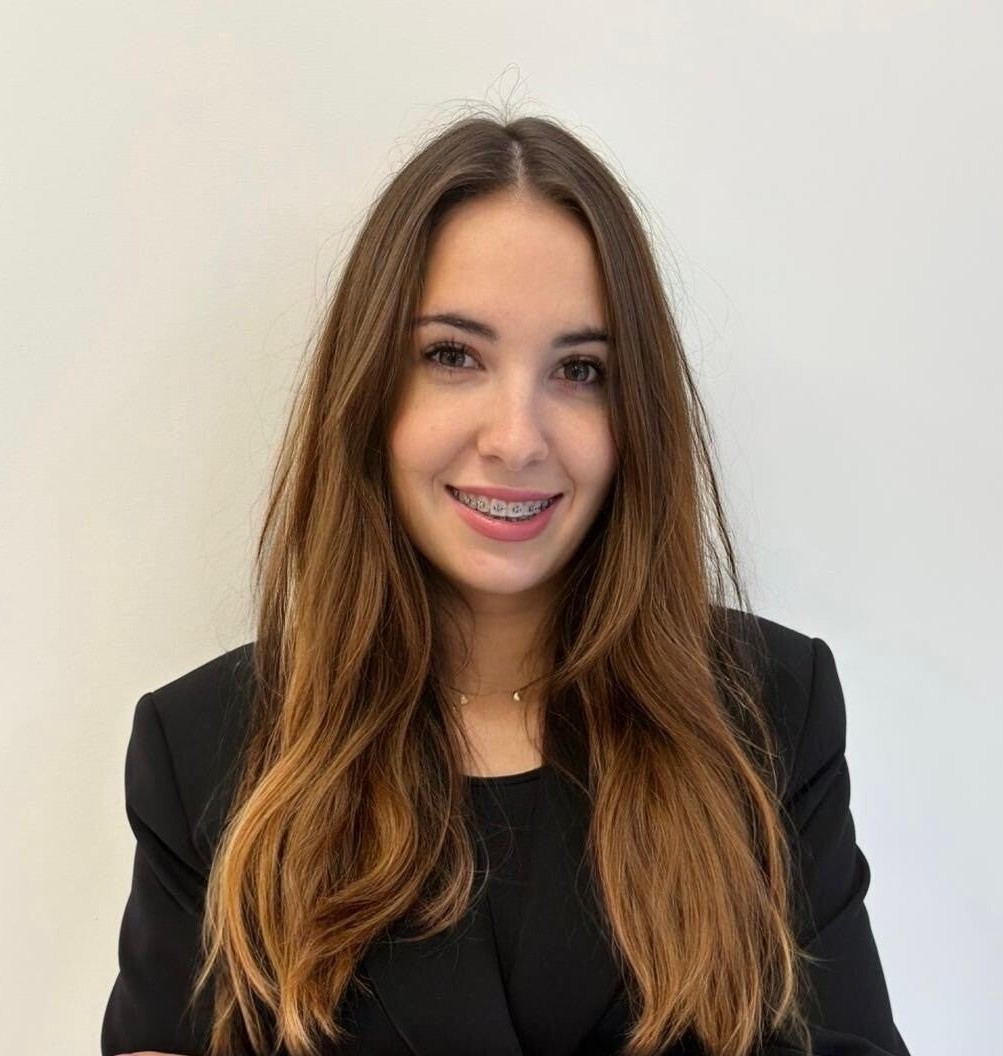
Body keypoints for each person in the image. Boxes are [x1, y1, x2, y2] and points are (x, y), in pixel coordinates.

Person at [101, 110, 911, 1056]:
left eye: (581, 370)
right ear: (370, 388)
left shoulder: (770, 709)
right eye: (454, 356)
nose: (517, 438)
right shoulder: (205, 749)